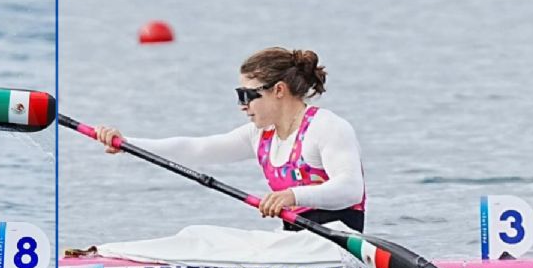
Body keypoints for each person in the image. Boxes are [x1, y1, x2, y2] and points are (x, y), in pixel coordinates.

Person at [95, 47, 366, 232]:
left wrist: (291, 196)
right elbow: (196, 149)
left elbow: (351, 188)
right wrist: (128, 144)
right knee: (198, 235)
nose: (242, 105)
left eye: (246, 95)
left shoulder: (327, 127)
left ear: (279, 91)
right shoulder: (260, 135)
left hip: (337, 244)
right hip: (296, 244)